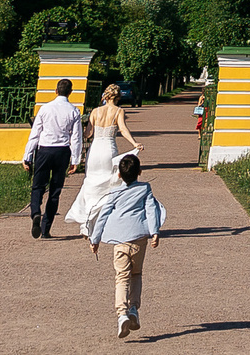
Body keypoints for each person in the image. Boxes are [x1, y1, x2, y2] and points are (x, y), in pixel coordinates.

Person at [85, 151, 166, 339]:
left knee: (121, 277)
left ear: (119, 175)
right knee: (136, 273)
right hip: (139, 238)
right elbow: (151, 210)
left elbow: (103, 215)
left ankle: (121, 314)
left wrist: (94, 239)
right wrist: (155, 232)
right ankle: (133, 309)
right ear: (140, 172)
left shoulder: (114, 193)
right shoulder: (145, 189)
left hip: (119, 240)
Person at [63, 80, 141, 231]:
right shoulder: (118, 111)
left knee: (91, 183)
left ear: (106, 95)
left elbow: (87, 134)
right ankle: (102, 222)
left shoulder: (95, 111)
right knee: (108, 185)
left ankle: (87, 222)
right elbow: (123, 130)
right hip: (108, 149)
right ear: (117, 97)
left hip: (95, 150)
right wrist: (134, 143)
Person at [23, 76, 86, 238]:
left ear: (56, 91)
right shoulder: (74, 111)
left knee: (38, 186)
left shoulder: (45, 109)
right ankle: (46, 229)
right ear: (70, 92)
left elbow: (35, 134)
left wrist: (27, 156)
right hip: (62, 152)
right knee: (55, 191)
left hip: (44, 150)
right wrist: (75, 160)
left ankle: (35, 211)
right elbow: (76, 138)